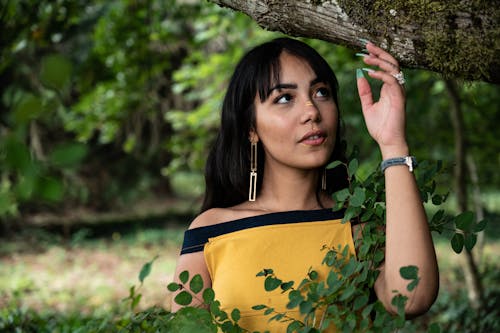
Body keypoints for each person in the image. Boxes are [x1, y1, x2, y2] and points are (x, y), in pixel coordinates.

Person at [172, 37, 439, 331]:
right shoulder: (211, 232)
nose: (312, 111)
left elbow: (412, 299)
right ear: (251, 128)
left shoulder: (357, 227)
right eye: (284, 98)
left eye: (321, 92)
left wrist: (393, 144)